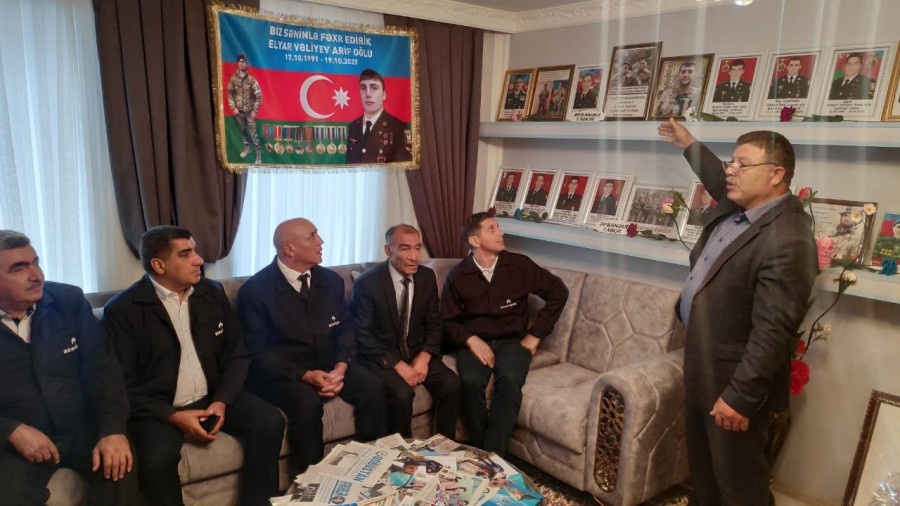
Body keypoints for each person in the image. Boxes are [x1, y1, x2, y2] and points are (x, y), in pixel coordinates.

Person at [658, 118, 817, 505]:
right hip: (705, 361)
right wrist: (688, 142)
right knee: (705, 472)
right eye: (732, 162)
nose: (731, 171)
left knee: (739, 484)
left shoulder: (788, 238)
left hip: (733, 382)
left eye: (742, 165)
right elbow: (716, 176)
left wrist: (740, 398)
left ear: (776, 175)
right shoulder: (741, 205)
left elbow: (773, 331)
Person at [102, 226, 284, 506]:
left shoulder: (211, 292)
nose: (199, 260)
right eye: (186, 254)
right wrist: (172, 416)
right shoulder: (122, 310)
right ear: (159, 265)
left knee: (269, 422)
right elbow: (121, 384)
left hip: (212, 396)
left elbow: (237, 353)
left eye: (195, 251)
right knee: (156, 460)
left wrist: (222, 401)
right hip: (159, 408)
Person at [236, 218, 388, 473]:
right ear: (289, 249)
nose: (321, 241)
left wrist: (341, 367)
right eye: (312, 236)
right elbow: (258, 352)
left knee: (373, 387)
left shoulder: (331, 280)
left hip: (330, 364)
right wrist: (305, 375)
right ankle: (313, 481)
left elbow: (345, 328)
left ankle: (370, 470)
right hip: (285, 373)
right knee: (307, 404)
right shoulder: (255, 291)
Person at [0, 230, 139, 505]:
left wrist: (112, 429)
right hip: (16, 441)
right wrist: (9, 430)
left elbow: (103, 368)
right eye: (19, 268)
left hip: (81, 428)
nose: (36, 275)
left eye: (35, 263)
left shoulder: (67, 300)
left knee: (120, 468)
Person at [442, 213, 568, 456]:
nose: (501, 233)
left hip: (513, 341)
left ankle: (493, 456)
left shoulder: (520, 265)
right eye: (492, 229)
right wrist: (471, 340)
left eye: (498, 227)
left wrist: (536, 334)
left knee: (509, 382)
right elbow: (447, 320)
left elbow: (558, 292)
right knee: (469, 382)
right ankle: (479, 450)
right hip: (474, 342)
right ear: (475, 240)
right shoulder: (457, 275)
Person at [351, 224, 460, 438]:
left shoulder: (427, 277)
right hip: (383, 356)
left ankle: (444, 447)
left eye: (417, 248)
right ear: (388, 250)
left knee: (452, 385)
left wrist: (424, 358)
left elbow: (435, 323)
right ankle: (403, 451)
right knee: (402, 394)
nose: (414, 256)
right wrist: (398, 365)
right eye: (405, 249)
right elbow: (363, 335)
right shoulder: (368, 283)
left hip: (418, 350)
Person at [347, 68, 412, 163]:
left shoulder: (399, 128)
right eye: (363, 88)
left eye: (374, 88)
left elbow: (403, 167)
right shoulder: (353, 126)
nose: (368, 94)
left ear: (384, 95)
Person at [226, 54, 263, 164]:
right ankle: (247, 148)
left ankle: (258, 153)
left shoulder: (251, 80)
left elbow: (259, 97)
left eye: (243, 61)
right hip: (239, 112)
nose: (241, 63)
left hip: (249, 112)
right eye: (240, 61)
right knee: (243, 131)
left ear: (246, 63)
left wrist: (254, 111)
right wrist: (233, 108)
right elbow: (230, 94)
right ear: (237, 63)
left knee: (253, 134)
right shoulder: (233, 79)